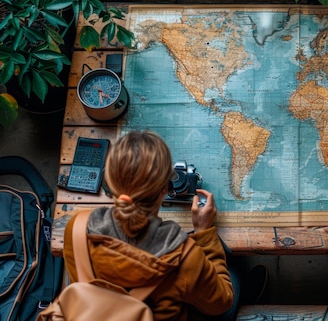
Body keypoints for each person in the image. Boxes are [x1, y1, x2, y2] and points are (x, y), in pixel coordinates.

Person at [62, 130, 235, 321]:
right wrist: (203, 233)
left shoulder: (77, 228)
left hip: (95, 312)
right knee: (233, 279)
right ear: (165, 190)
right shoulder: (183, 256)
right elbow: (221, 302)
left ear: (109, 182)